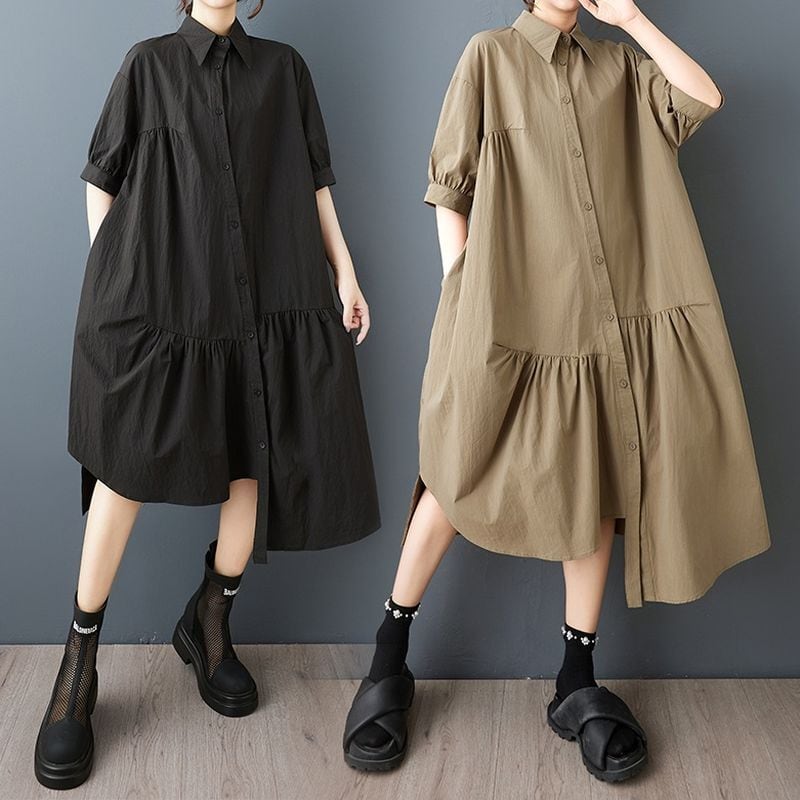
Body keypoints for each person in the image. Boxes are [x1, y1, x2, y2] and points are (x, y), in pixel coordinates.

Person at [342, 0, 770, 783]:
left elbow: (701, 97)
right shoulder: (490, 56)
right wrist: (465, 296)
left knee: (595, 487)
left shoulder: (619, 66)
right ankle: (388, 657)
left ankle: (576, 680)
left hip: (603, 326)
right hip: (508, 319)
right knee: (455, 472)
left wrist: (632, 19)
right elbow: (450, 186)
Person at [35, 0, 381, 790]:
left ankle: (210, 620)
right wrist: (118, 282)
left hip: (261, 306)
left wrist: (346, 272)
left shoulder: (283, 71)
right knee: (124, 472)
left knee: (253, 469)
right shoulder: (148, 65)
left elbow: (315, 181)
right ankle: (78, 664)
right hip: (166, 310)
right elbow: (102, 178)